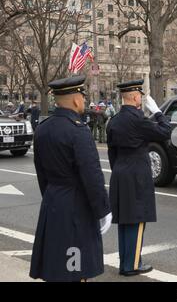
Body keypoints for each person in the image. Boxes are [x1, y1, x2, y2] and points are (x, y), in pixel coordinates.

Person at [29, 75, 112, 282]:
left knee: (56, 266)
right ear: (76, 100)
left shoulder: (42, 129)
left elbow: (42, 174)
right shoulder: (78, 131)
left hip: (53, 201)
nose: (83, 101)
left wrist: (52, 196)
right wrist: (103, 210)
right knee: (75, 269)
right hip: (76, 207)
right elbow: (92, 176)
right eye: (82, 97)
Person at [106, 80, 171, 276]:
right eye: (140, 96)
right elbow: (166, 131)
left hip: (119, 172)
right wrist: (158, 113)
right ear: (135, 97)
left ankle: (126, 261)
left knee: (125, 220)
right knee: (137, 219)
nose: (141, 99)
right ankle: (132, 265)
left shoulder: (114, 121)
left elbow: (111, 152)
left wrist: (119, 170)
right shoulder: (138, 120)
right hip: (136, 174)